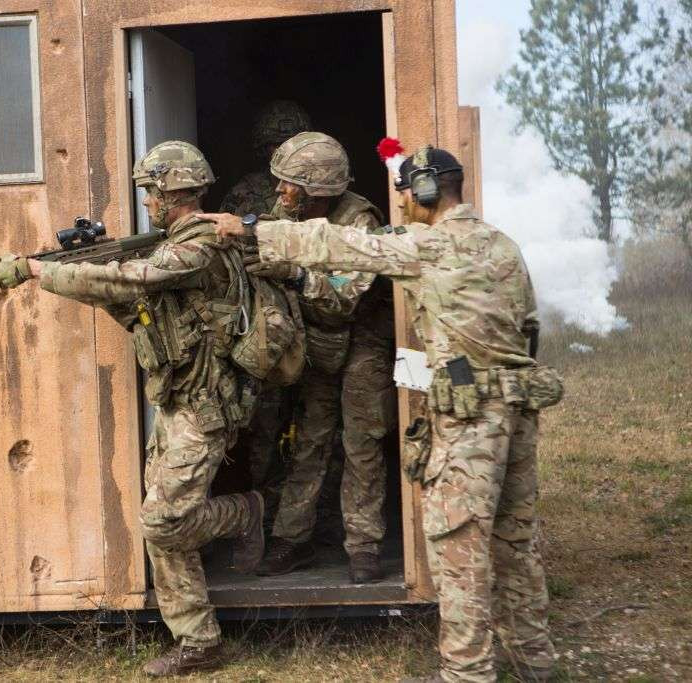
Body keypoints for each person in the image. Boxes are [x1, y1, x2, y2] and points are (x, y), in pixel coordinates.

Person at [200, 141, 561, 683]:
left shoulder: (429, 246)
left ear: (425, 191)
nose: (403, 204)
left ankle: (467, 673)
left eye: (406, 194)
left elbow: (339, 245)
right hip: (518, 413)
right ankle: (536, 661)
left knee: (457, 550)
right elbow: (528, 328)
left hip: (470, 424)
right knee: (515, 541)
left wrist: (251, 230)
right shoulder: (503, 245)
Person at [0, 140, 265, 678]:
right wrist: (71, 268)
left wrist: (39, 272)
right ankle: (199, 642)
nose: (145, 203)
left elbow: (133, 278)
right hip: (177, 397)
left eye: (149, 192)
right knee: (158, 519)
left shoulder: (199, 245)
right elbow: (125, 295)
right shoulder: (173, 240)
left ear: (171, 191)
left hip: (207, 403)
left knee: (163, 521)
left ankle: (245, 513)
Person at [244, 132, 395, 584]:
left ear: (315, 189)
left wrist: (292, 273)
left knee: (362, 442)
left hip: (363, 340)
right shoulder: (283, 216)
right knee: (309, 439)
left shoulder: (360, 221)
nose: (279, 191)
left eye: (288, 183)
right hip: (318, 341)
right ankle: (293, 539)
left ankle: (364, 545)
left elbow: (343, 300)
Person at [220, 100, 313, 532]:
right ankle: (262, 513)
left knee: (315, 433)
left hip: (317, 322)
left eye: (288, 143)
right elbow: (225, 252)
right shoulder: (247, 193)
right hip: (266, 324)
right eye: (275, 144)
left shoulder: (318, 192)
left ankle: (304, 523)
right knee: (262, 427)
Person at [219, 100, 313, 217]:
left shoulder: (321, 190)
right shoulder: (245, 193)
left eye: (294, 144)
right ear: (264, 149)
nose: (288, 152)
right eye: (278, 144)